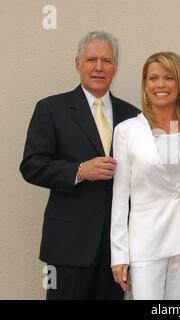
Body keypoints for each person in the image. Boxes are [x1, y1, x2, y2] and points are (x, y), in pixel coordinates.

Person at [19, 31, 140, 299]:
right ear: (78, 64)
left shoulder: (132, 115)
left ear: (116, 68)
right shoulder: (51, 108)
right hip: (68, 245)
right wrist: (79, 171)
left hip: (116, 249)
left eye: (107, 61)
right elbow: (31, 165)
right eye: (91, 60)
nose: (99, 67)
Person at [110, 52, 180, 300]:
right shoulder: (127, 131)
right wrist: (119, 255)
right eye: (153, 78)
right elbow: (120, 197)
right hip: (146, 244)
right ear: (145, 85)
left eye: (168, 77)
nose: (160, 85)